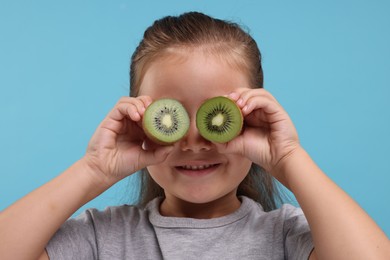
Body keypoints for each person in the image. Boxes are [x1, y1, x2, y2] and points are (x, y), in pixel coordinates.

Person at [0, 12, 389, 260]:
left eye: (214, 117)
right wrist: (93, 169)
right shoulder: (103, 238)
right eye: (171, 116)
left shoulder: (288, 237)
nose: (193, 141)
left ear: (251, 119)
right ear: (141, 120)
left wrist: (289, 156)